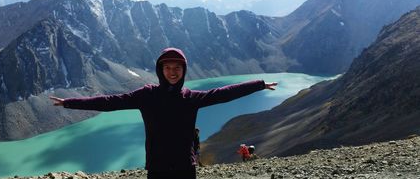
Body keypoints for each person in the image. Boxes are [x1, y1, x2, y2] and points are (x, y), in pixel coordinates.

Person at [50, 47, 277, 179]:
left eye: (177, 68)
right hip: (157, 168)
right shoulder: (146, 95)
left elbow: (224, 93)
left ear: (183, 70)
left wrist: (259, 84)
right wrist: (69, 102)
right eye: (167, 68)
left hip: (185, 167)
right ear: (160, 70)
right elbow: (110, 102)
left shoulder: (191, 98)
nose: (172, 72)